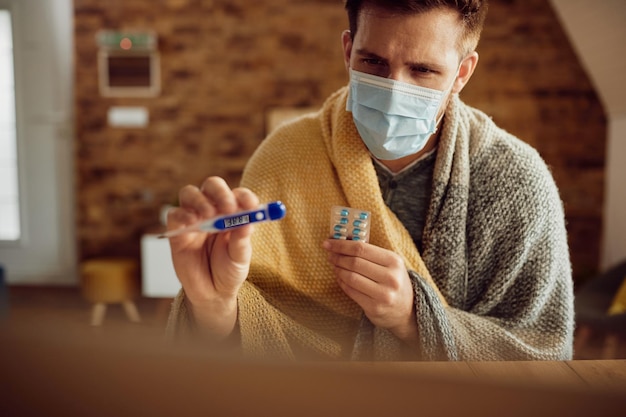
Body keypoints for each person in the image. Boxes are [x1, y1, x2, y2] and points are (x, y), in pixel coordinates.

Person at [165, 0, 574, 360]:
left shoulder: (518, 184)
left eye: (423, 70)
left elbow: (544, 351)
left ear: (462, 72)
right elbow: (245, 344)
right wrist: (214, 307)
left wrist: (414, 318)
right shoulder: (285, 156)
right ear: (348, 50)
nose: (394, 91)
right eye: (373, 62)